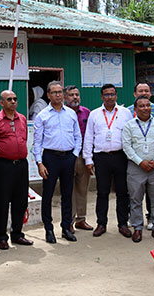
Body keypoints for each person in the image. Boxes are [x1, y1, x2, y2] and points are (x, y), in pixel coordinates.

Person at [34, 81, 82, 243]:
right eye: (54, 92)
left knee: (67, 194)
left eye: (60, 92)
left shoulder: (70, 113)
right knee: (47, 195)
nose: (58, 95)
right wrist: (40, 163)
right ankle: (49, 229)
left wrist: (74, 155)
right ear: (48, 95)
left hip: (68, 157)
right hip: (50, 158)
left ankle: (66, 228)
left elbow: (78, 136)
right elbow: (37, 142)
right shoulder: (42, 116)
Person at [83, 84, 133, 238]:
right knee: (102, 192)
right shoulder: (94, 114)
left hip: (121, 156)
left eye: (112, 94)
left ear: (116, 96)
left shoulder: (125, 113)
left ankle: (123, 224)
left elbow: (132, 134)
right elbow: (89, 137)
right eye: (106, 94)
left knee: (122, 192)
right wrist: (88, 159)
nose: (109, 97)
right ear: (101, 97)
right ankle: (101, 223)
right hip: (101, 157)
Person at [0, 90, 34, 249]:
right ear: (2, 103)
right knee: (2, 201)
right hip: (2, 165)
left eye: (15, 99)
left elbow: (24, 138)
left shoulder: (22, 119)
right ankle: (0, 237)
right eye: (9, 99)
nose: (13, 101)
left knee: (21, 201)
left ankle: (17, 234)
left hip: (21, 164)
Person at [121, 96, 154, 243]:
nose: (145, 108)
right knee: (135, 199)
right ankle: (137, 228)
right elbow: (126, 146)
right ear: (135, 109)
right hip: (136, 167)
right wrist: (140, 162)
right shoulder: (129, 126)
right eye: (141, 106)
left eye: (147, 105)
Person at [63, 85, 93, 232]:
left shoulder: (87, 113)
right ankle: (68, 221)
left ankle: (81, 219)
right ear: (64, 98)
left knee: (82, 189)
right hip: (67, 156)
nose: (75, 97)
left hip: (83, 156)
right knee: (68, 190)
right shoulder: (62, 113)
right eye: (71, 95)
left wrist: (90, 158)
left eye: (77, 94)